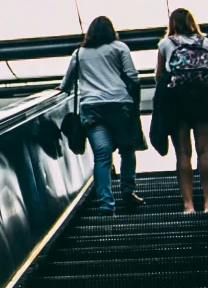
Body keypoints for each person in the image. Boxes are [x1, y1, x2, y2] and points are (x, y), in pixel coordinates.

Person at [59, 15, 144, 213]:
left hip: (92, 108)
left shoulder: (79, 53)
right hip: (119, 105)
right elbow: (133, 77)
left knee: (102, 156)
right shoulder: (120, 48)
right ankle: (128, 191)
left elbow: (66, 85)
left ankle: (106, 203)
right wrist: (134, 103)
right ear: (111, 31)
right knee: (127, 149)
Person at [156, 8, 208, 214]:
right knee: (206, 151)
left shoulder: (166, 44)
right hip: (204, 101)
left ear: (172, 23)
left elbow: (159, 77)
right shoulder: (206, 42)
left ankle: (188, 205)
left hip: (177, 102)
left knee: (183, 153)